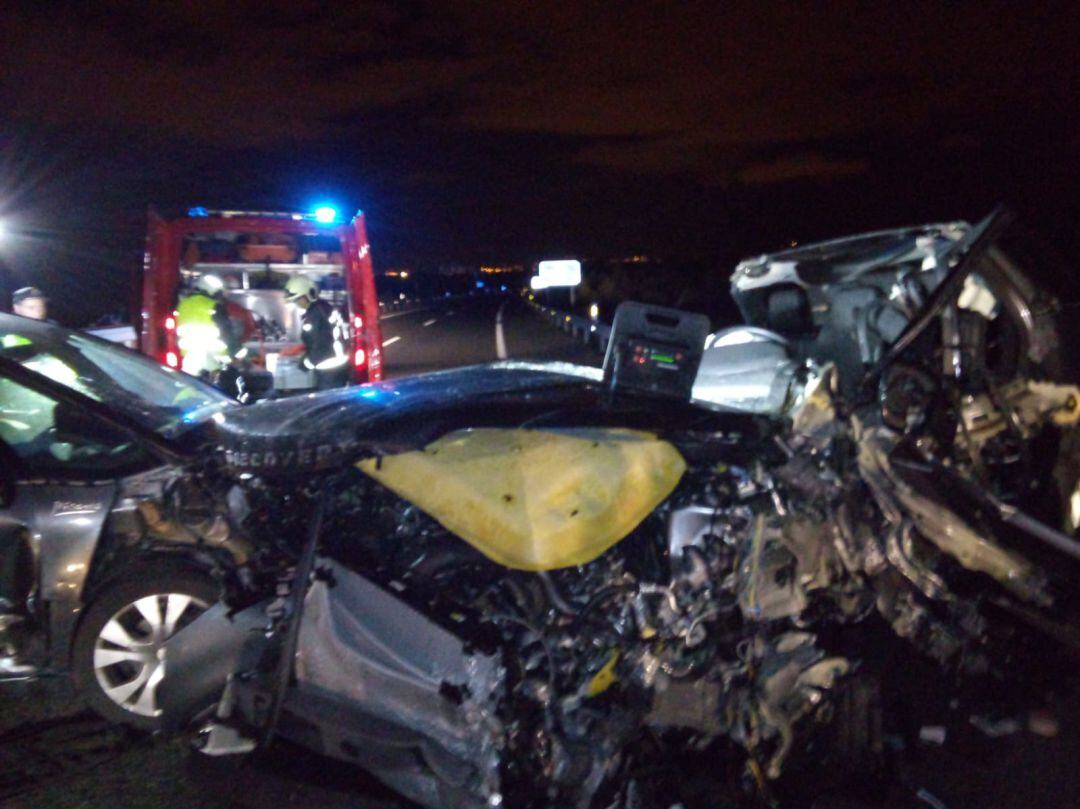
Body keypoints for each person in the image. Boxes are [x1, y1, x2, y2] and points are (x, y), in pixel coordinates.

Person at [282, 275, 349, 390]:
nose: (297, 304)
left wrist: (302, 365)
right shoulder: (323, 307)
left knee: (327, 404)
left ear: (308, 295)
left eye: (298, 300)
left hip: (329, 369)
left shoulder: (314, 315)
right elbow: (322, 337)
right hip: (339, 366)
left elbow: (319, 349)